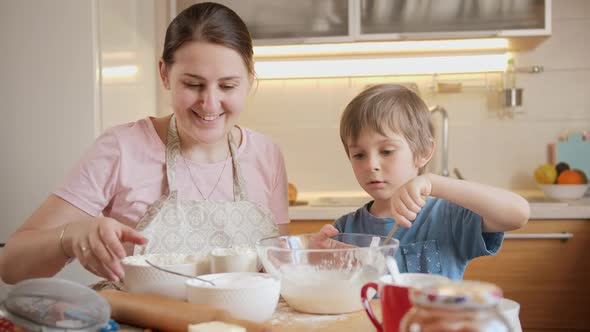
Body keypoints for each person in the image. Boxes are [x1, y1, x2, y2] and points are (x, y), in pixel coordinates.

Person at [0, 2, 289, 285]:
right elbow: (10, 265)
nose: (210, 102)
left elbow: (278, 270)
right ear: (165, 74)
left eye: (227, 86)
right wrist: (71, 236)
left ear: (250, 79)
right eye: (193, 84)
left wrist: (313, 256)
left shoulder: (267, 154)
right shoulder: (121, 149)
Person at [320, 84, 529, 280]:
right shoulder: (344, 230)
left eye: (386, 151)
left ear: (423, 152)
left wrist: (434, 183)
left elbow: (518, 213)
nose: (371, 165)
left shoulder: (447, 217)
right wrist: (313, 258)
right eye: (359, 155)